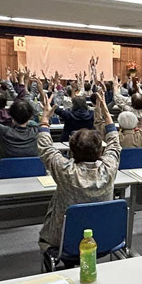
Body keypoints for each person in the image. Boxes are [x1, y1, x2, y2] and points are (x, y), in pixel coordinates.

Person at [36, 85, 121, 258]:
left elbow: (45, 147)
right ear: (100, 151)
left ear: (71, 151)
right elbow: (114, 143)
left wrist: (44, 119)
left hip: (62, 241)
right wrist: (106, 115)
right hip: (104, 237)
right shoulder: (109, 168)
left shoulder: (65, 171)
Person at [0, 76, 38, 158]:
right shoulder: (37, 131)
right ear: (30, 117)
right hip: (33, 170)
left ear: (12, 118)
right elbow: (46, 123)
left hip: (7, 170)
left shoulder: (5, 132)